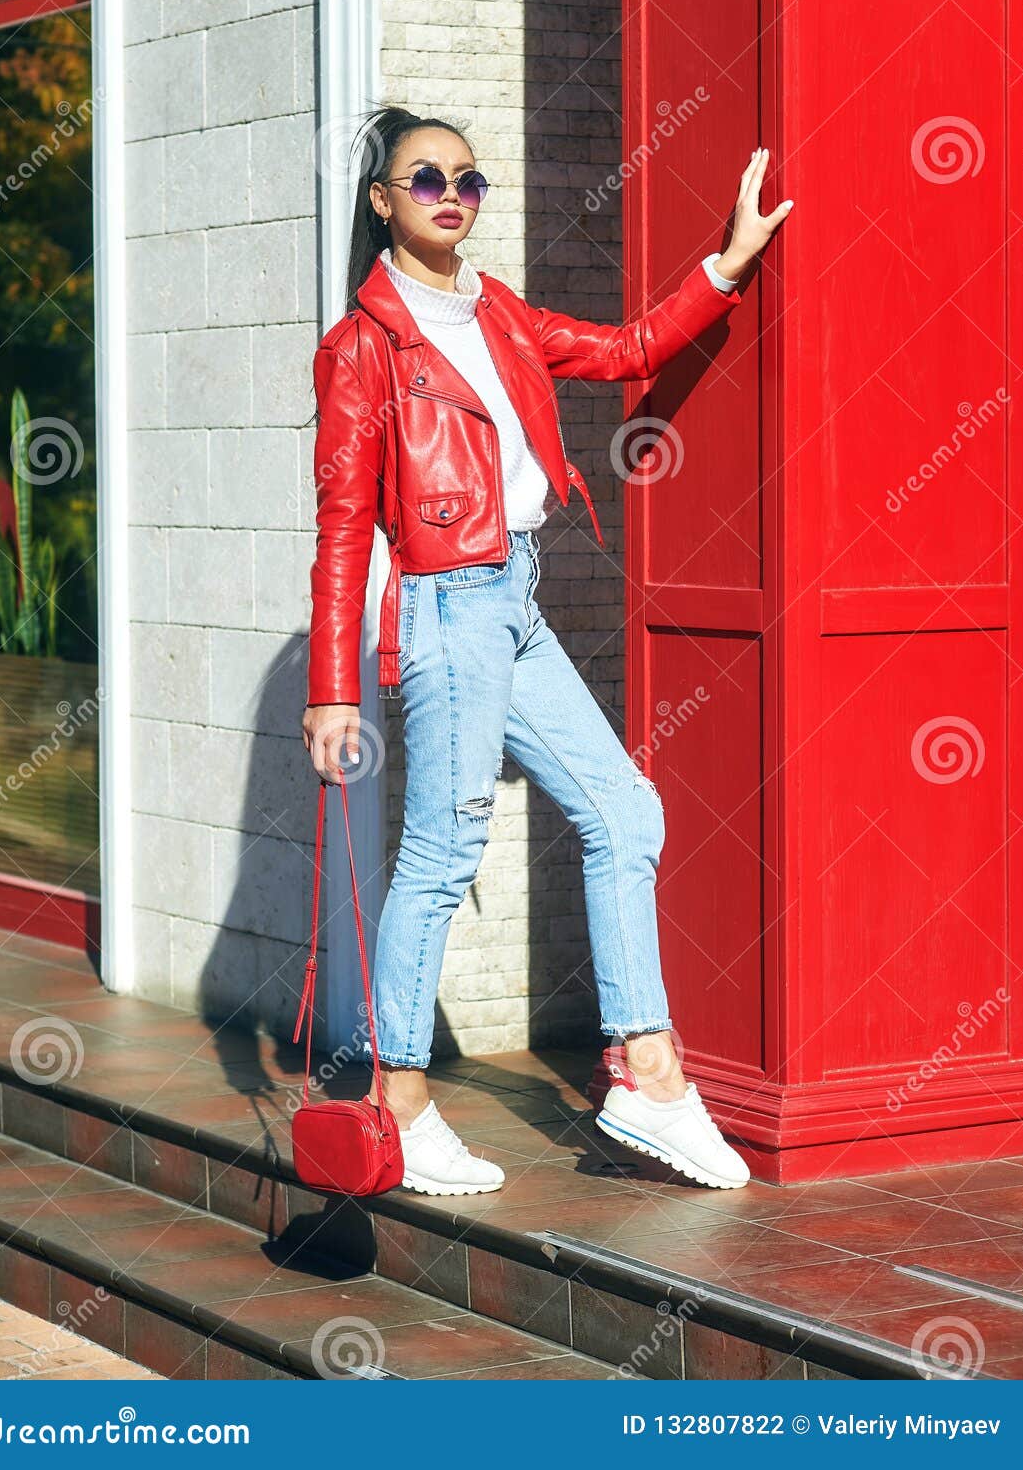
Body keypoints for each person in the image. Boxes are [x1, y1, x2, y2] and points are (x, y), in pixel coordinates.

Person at [302, 106, 791, 1195]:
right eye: (424, 177)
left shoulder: (500, 315)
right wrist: (331, 685)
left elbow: (623, 353)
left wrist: (726, 263)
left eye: (467, 181)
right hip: (444, 605)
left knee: (624, 811)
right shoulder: (363, 348)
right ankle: (402, 1107)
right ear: (380, 198)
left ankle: (646, 1076)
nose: (448, 195)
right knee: (441, 852)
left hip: (511, 602)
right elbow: (341, 525)